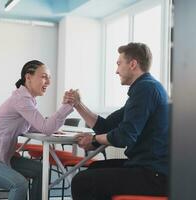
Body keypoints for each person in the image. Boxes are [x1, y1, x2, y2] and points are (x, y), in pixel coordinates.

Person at [65, 42, 169, 200]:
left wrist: (94, 140)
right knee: (94, 168)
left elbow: (125, 136)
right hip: (145, 167)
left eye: (119, 64)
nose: (116, 70)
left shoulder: (146, 89)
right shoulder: (145, 88)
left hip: (154, 174)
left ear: (133, 64)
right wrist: (78, 105)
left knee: (82, 182)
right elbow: (106, 126)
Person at [0, 60, 74, 200]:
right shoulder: (21, 100)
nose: (48, 82)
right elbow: (46, 127)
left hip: (1, 158)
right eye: (44, 76)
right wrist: (67, 105)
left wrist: (52, 128)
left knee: (41, 171)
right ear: (28, 77)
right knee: (19, 184)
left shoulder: (27, 100)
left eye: (49, 78)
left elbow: (42, 127)